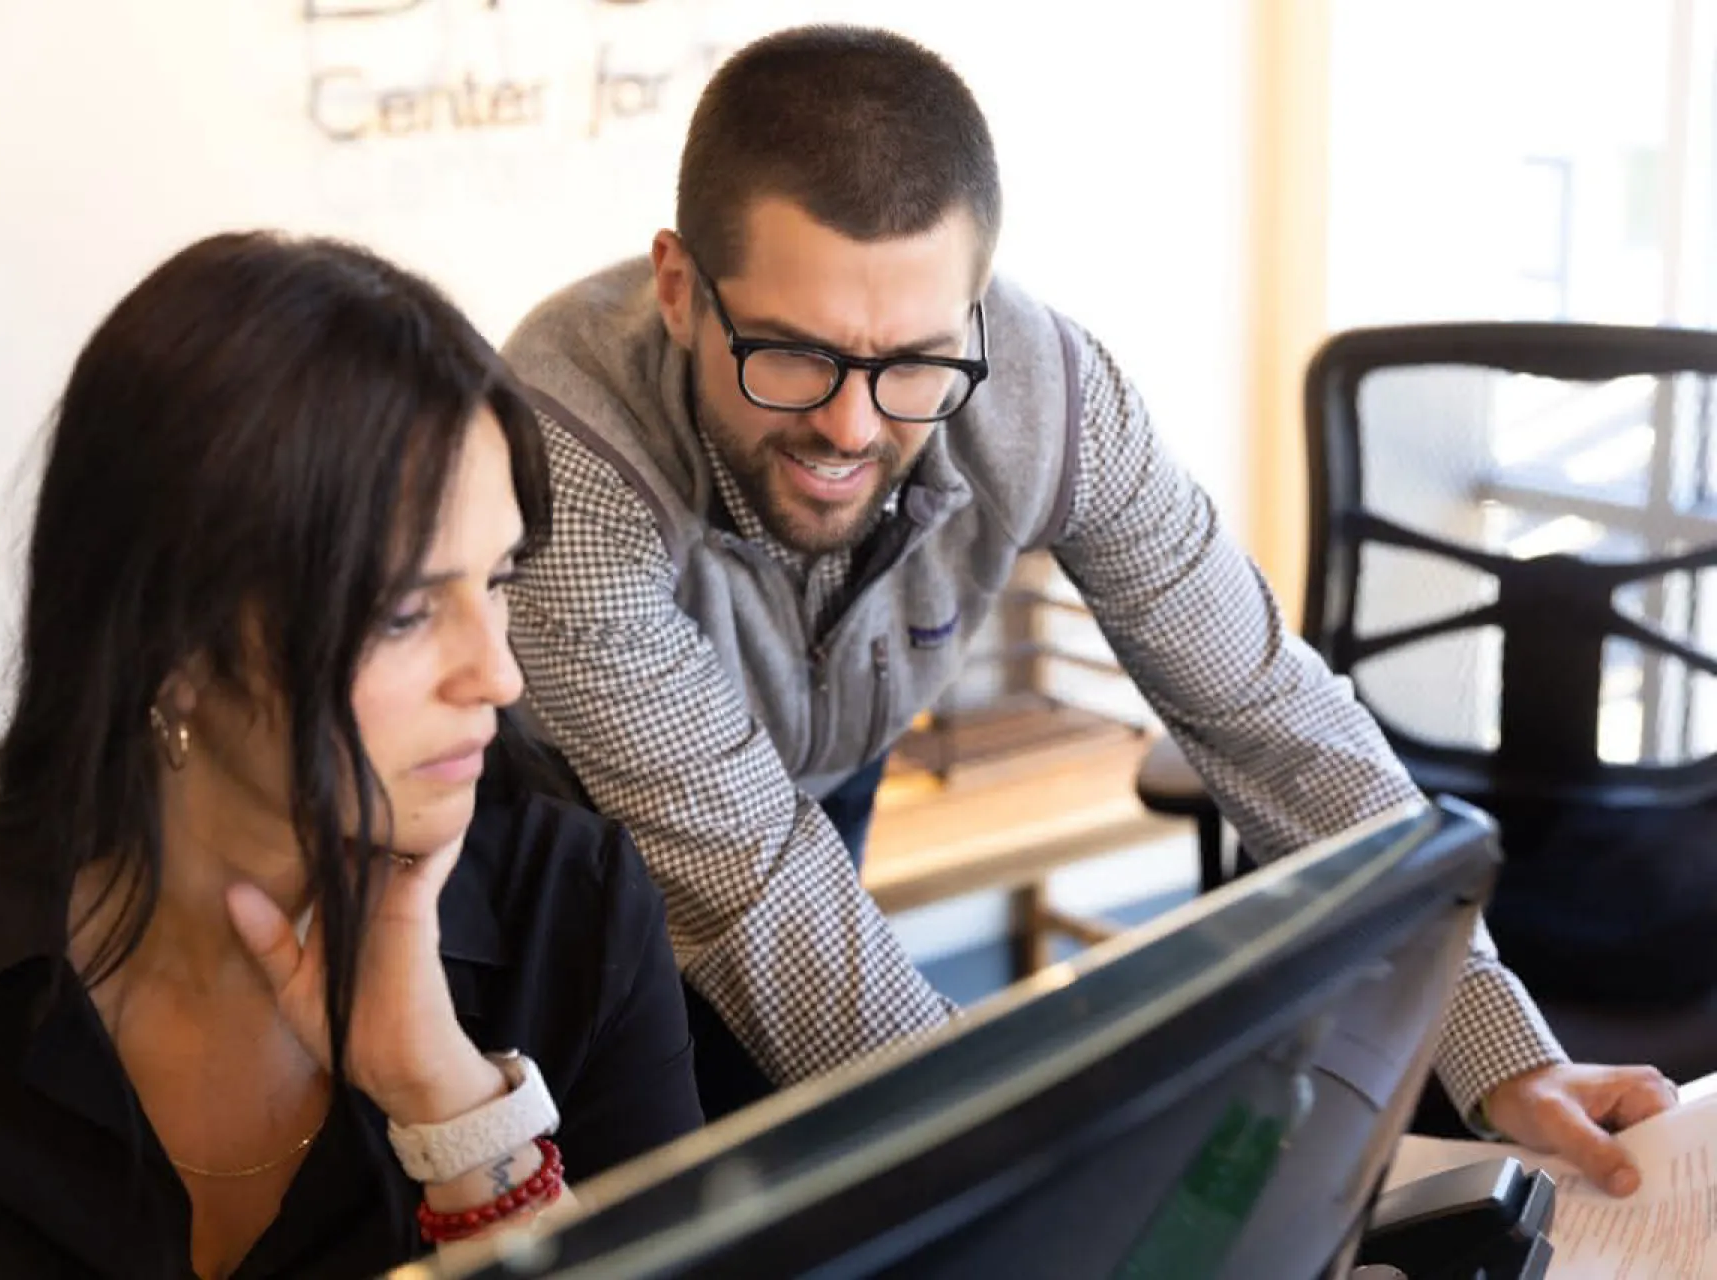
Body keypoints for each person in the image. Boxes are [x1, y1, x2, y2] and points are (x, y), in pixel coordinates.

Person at [500, 24, 1676, 1193]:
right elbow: (752, 878)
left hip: (818, 788)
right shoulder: (569, 452)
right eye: (794, 355)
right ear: (678, 289)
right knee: (659, 1196)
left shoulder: (1049, 390)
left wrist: (1500, 1046)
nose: (851, 428)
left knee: (831, 1174)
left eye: (913, 361)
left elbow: (1264, 710)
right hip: (570, 849)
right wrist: (1023, 1164)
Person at [0, 232, 702, 1279]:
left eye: (495, 581)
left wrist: (450, 1104)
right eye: (407, 612)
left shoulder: (575, 912)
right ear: (172, 644)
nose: (497, 675)